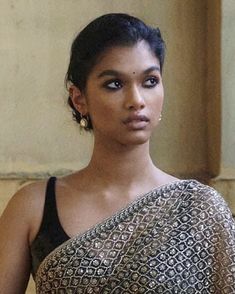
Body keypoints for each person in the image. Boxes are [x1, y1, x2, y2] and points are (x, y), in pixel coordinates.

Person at [0, 13, 235, 294]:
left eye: (150, 81)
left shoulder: (201, 209)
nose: (136, 101)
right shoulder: (34, 206)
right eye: (114, 84)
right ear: (79, 99)